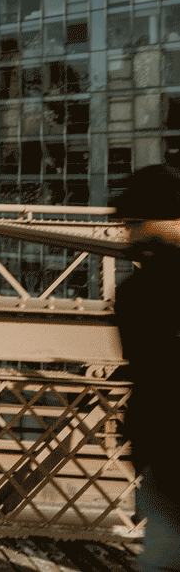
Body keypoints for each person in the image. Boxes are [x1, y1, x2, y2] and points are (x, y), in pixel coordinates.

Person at [112, 164, 180, 572]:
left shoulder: (136, 293)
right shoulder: (137, 292)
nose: (129, 233)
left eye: (135, 222)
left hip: (164, 453)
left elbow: (146, 370)